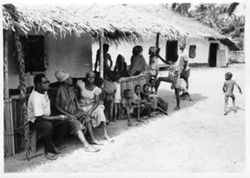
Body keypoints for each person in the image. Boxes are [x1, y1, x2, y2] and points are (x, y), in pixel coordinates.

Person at [54, 70, 102, 151]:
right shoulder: (60, 90)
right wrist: (68, 114)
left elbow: (76, 102)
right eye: (69, 78)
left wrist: (81, 112)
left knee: (87, 117)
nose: (71, 79)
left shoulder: (71, 89)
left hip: (74, 111)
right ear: (65, 81)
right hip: (66, 114)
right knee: (76, 124)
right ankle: (86, 146)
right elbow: (57, 106)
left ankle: (92, 139)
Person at [27, 73, 70, 160]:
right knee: (47, 125)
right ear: (38, 85)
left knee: (65, 120)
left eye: (48, 81)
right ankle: (48, 151)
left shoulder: (44, 91)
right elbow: (39, 117)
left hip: (45, 116)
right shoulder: (35, 97)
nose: (48, 84)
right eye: (45, 82)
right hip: (34, 121)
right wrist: (57, 117)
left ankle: (54, 144)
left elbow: (54, 86)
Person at [77, 71, 114, 142]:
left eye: (92, 78)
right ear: (86, 78)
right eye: (89, 77)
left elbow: (96, 102)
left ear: (94, 79)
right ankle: (92, 138)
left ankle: (105, 134)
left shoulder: (96, 89)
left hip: (92, 106)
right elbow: (78, 96)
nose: (90, 79)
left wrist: (91, 110)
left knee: (100, 111)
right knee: (86, 117)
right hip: (82, 106)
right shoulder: (81, 85)